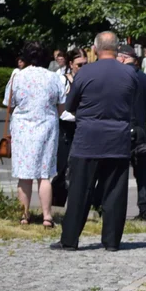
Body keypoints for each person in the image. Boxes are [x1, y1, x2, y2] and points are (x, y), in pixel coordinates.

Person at [57, 31, 136, 251]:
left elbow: (70, 105)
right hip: (118, 139)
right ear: (118, 48)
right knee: (115, 193)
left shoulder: (85, 72)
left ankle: (70, 240)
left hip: (88, 139)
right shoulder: (129, 74)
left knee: (80, 192)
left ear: (95, 48)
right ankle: (111, 241)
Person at [5, 42, 62, 227]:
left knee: (24, 174)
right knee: (44, 174)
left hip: (22, 128)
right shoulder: (53, 77)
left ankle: (24, 215)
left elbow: (9, 102)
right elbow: (61, 105)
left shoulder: (18, 77)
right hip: (46, 126)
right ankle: (47, 216)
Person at [117, 46, 146, 221]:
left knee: (117, 171)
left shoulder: (117, 78)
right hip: (139, 129)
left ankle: (114, 209)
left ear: (123, 58)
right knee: (142, 171)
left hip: (120, 128)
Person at [52, 48, 89, 207]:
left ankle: (78, 205)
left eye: (85, 64)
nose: (83, 68)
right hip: (66, 127)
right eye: (79, 65)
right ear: (71, 64)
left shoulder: (89, 79)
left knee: (81, 168)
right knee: (62, 167)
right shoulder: (61, 80)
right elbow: (58, 106)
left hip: (84, 126)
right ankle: (57, 204)